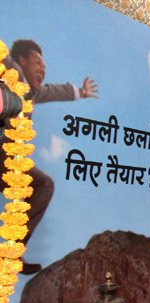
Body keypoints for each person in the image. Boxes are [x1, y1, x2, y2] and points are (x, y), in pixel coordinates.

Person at [1, 39, 98, 274]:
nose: (42, 70)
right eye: (37, 64)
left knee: (43, 185)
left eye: (45, 67)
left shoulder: (30, 92)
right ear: (21, 60)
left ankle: (11, 253)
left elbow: (51, 91)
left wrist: (81, 92)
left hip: (8, 159)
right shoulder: (11, 69)